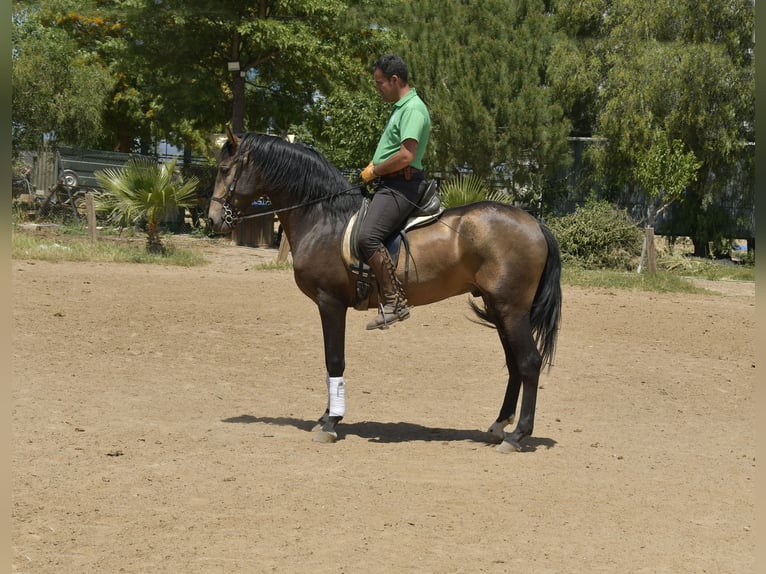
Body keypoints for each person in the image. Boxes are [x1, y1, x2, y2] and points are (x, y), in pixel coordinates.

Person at [358, 54, 431, 330]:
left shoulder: (412, 109)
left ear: (395, 80)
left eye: (380, 84)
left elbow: (405, 155)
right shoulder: (401, 107)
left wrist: (375, 171)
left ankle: (394, 301)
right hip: (391, 182)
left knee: (367, 237)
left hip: (402, 184)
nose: (378, 89)